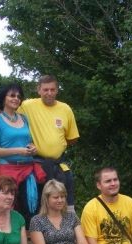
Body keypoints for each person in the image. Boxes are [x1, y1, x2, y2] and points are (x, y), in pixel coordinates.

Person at [18, 75, 79, 210]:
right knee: (38, 207)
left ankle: (67, 223)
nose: (49, 93)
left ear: (57, 90)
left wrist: (56, 145)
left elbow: (73, 138)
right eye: (45, 90)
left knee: (65, 205)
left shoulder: (65, 109)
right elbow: (8, 113)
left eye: (52, 89)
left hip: (59, 165)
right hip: (37, 164)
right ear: (38, 90)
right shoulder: (27, 106)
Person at [0, 83, 46, 223]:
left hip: (27, 169)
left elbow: (28, 141)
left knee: (30, 208)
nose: (16, 99)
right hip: (7, 169)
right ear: (4, 98)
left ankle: (29, 236)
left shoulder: (24, 118)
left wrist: (32, 148)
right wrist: (18, 150)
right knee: (8, 208)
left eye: (19, 96)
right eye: (12, 95)